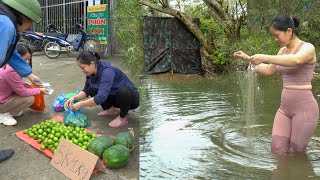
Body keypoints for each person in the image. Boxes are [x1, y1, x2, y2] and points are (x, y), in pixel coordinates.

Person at [234, 14, 319, 154]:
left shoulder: (308, 48)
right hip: (284, 110)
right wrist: (249, 59)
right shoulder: (282, 51)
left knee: (297, 153)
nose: (275, 39)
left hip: (305, 110)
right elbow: (268, 70)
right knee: (277, 150)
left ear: (289, 31)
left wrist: (264, 56)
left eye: (277, 35)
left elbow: (296, 60)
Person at [65, 51, 139, 128]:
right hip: (114, 96)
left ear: (92, 64)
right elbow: (86, 90)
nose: (82, 70)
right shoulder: (90, 74)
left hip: (130, 99)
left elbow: (101, 97)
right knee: (91, 89)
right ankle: (111, 110)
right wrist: (74, 97)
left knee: (123, 91)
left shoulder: (107, 72)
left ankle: (122, 118)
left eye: (83, 67)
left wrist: (80, 104)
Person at [0, 43, 48, 126]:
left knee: (28, 89)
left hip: (5, 96)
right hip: (2, 100)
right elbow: (22, 92)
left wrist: (24, 83)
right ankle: (3, 114)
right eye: (25, 59)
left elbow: (12, 82)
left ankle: (10, 110)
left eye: (29, 59)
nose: (27, 62)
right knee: (29, 99)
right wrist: (39, 90)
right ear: (17, 58)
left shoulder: (10, 64)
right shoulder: (11, 71)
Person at [0, 0, 42, 85]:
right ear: (24, 17)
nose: (30, 26)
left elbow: (11, 53)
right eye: (31, 22)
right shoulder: (6, 25)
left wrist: (30, 75)